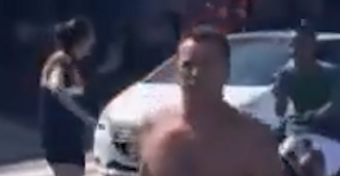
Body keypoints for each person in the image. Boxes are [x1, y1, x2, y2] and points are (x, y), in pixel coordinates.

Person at [138, 26, 325, 176]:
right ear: (176, 72)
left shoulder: (252, 138)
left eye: (207, 64)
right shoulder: (153, 128)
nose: (195, 73)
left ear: (226, 71)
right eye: (187, 65)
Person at [39, 17, 97, 176]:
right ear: (81, 40)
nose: (92, 43)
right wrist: (85, 117)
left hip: (70, 139)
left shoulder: (70, 63)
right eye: (90, 38)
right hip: (60, 139)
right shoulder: (61, 62)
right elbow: (56, 88)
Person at [275, 22, 340, 134]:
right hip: (302, 132)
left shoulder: (332, 74)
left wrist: (312, 116)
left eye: (304, 45)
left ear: (313, 47)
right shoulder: (287, 75)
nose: (299, 50)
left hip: (332, 132)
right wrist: (280, 94)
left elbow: (335, 106)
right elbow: (280, 111)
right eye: (296, 45)